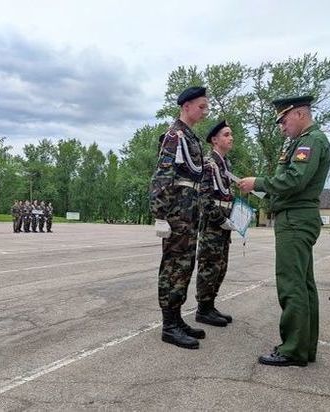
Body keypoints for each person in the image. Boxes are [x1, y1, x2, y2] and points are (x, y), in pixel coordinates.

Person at [238, 95, 330, 367]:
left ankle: (292, 349)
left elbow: (294, 179)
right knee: (303, 284)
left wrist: (260, 182)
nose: (281, 126)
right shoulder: (304, 141)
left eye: (284, 119)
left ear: (300, 114)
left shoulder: (311, 141)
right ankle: (304, 346)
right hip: (296, 217)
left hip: (295, 220)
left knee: (292, 284)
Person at [149, 86, 209, 349]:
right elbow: (162, 176)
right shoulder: (175, 136)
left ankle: (177, 318)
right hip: (176, 214)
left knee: (185, 266)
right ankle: (169, 325)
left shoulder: (190, 137)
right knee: (174, 266)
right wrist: (160, 215)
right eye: (201, 106)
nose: (204, 111)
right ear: (186, 106)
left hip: (189, 212)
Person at [195, 120, 237, 328]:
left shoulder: (225, 164)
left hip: (224, 224)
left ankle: (210, 305)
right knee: (209, 266)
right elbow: (204, 198)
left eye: (231, 135)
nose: (231, 138)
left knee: (220, 266)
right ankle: (203, 309)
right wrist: (221, 220)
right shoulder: (208, 164)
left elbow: (228, 196)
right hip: (213, 225)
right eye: (226, 135)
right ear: (214, 139)